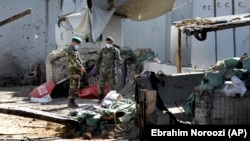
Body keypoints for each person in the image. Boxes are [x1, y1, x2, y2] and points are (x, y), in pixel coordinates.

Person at [91, 36, 123, 103]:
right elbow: (98, 59)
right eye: (107, 41)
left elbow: (118, 59)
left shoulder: (115, 50)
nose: (108, 42)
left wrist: (119, 67)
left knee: (112, 85)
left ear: (112, 42)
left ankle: (111, 99)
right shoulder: (102, 50)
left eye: (109, 41)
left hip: (111, 71)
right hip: (103, 70)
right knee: (101, 84)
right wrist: (95, 67)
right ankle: (100, 98)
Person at [66, 36, 86, 108]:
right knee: (73, 86)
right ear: (73, 43)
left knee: (75, 86)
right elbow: (74, 61)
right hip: (74, 71)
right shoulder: (71, 50)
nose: (78, 45)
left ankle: (72, 101)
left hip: (75, 71)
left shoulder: (74, 50)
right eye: (77, 44)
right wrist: (80, 67)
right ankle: (71, 102)